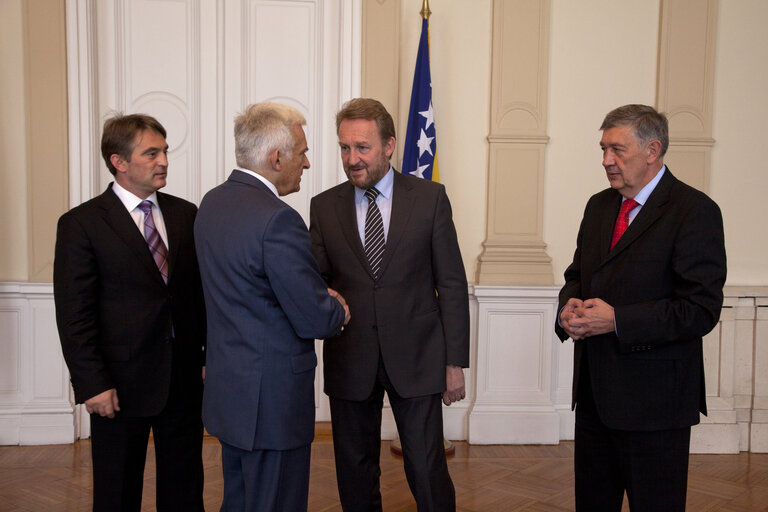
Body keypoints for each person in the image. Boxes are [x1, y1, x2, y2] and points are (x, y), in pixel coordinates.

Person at [556, 104, 727, 512]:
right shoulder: (598, 206)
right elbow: (577, 275)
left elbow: (700, 309)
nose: (606, 161)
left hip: (657, 407)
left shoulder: (694, 211)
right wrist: (569, 309)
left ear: (652, 151)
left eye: (617, 150)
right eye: (603, 149)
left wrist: (616, 320)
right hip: (595, 399)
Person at [309, 97, 470, 511]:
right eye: (344, 147)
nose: (352, 158)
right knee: (355, 470)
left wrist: (455, 363)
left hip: (417, 357)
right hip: (351, 358)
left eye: (362, 147)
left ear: (389, 146)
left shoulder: (430, 199)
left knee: (426, 467)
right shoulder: (324, 206)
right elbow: (318, 279)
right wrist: (319, 291)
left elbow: (450, 283)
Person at [194, 102, 350, 511]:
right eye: (301, 153)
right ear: (275, 157)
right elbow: (314, 316)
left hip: (232, 396)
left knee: (241, 501)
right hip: (272, 403)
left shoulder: (212, 204)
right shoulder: (278, 220)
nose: (308, 163)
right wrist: (337, 308)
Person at [53, 113, 206, 511]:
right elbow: (75, 315)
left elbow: (197, 297)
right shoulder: (81, 224)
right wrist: (91, 384)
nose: (164, 162)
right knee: (117, 491)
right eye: (151, 153)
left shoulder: (186, 214)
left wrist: (207, 357)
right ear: (118, 161)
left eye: (165, 152)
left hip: (183, 380)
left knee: (185, 488)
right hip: (117, 386)